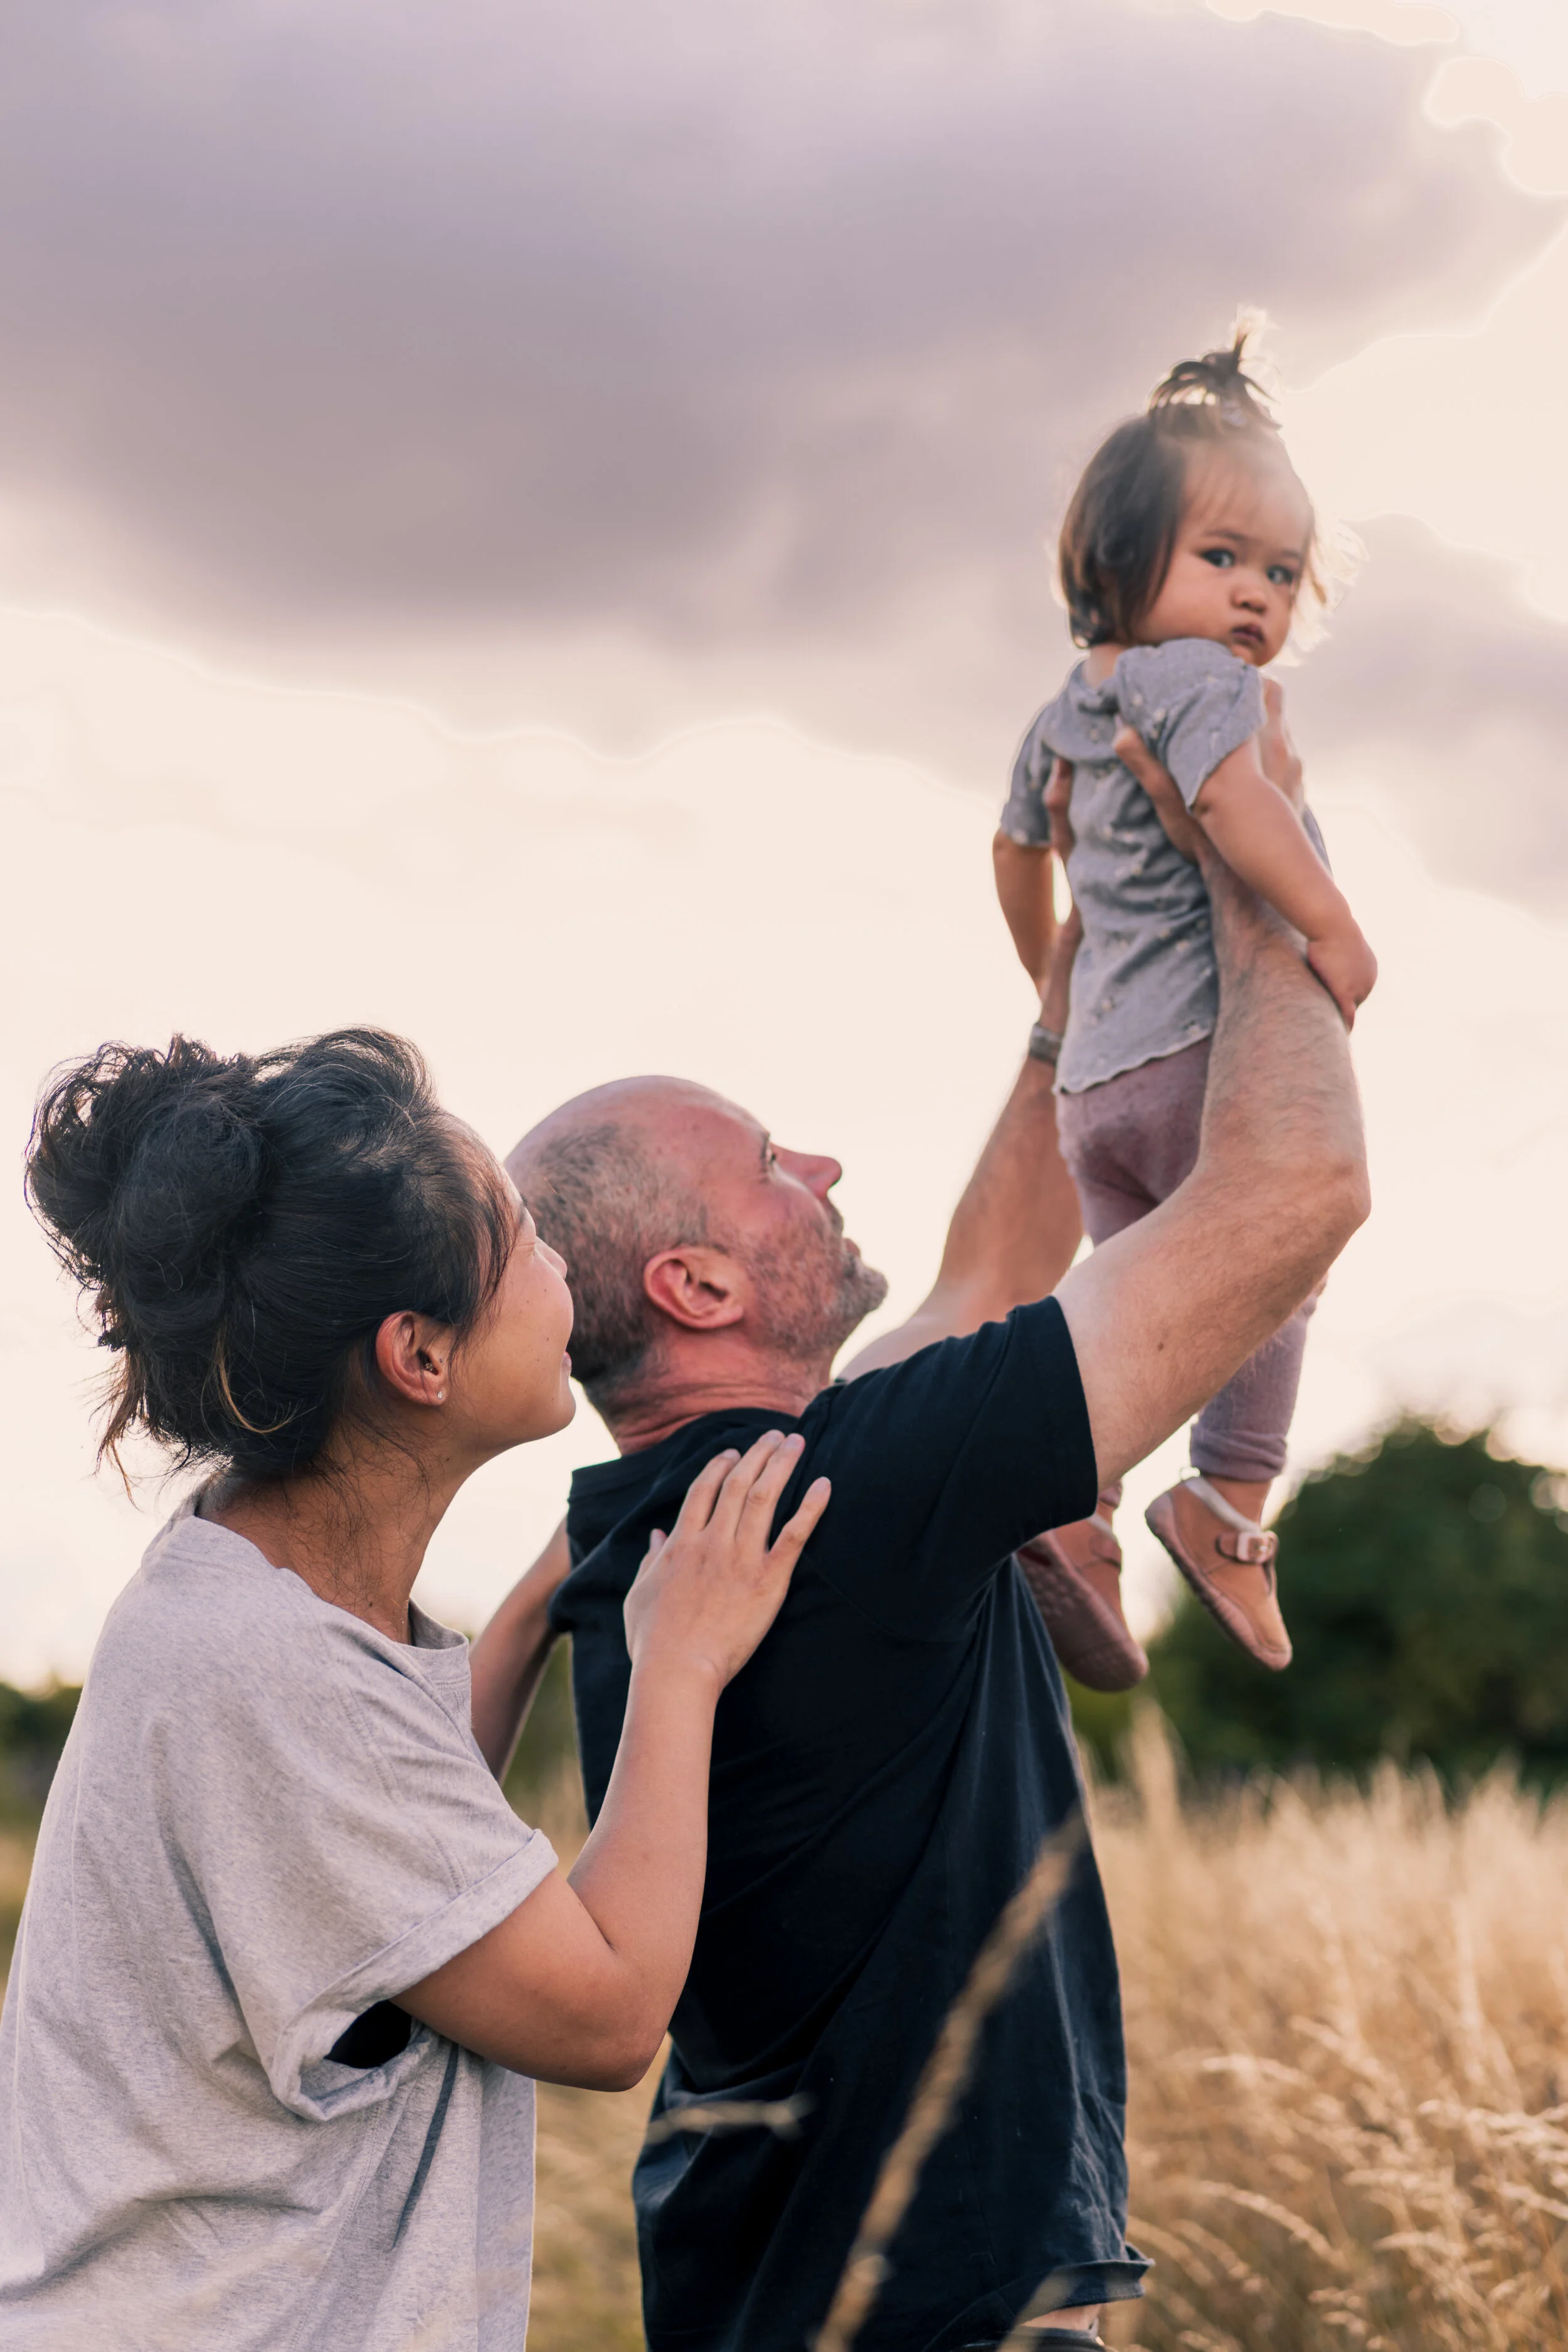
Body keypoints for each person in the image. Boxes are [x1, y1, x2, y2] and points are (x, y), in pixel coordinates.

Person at [489, 747, 1369, 2352]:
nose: (816, 1166)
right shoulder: (851, 1490)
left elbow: (981, 1279)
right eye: (768, 1164)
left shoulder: (667, 1511)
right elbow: (1296, 1188)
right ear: (694, 1288)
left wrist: (1066, 994)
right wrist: (1259, 886)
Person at [0, 1027, 829, 2352]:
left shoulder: (242, 1586)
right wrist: (678, 1662)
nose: (556, 1255)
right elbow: (612, 2015)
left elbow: (401, 1849)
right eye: (518, 1239)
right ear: (419, 1359)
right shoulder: (270, 1676)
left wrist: (547, 1594)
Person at [997, 332, 1377, 1678]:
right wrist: (1329, 924)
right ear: (1115, 564)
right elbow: (1231, 807)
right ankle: (1227, 1502)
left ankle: (1077, 1508)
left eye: (1279, 573)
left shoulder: (1063, 710)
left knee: (1129, 1301)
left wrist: (1051, 977)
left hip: (1094, 1086)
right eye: (1222, 560)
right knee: (1279, 1268)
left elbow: (1012, 854)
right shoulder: (1201, 687)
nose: (1255, 599)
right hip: (1200, 1065)